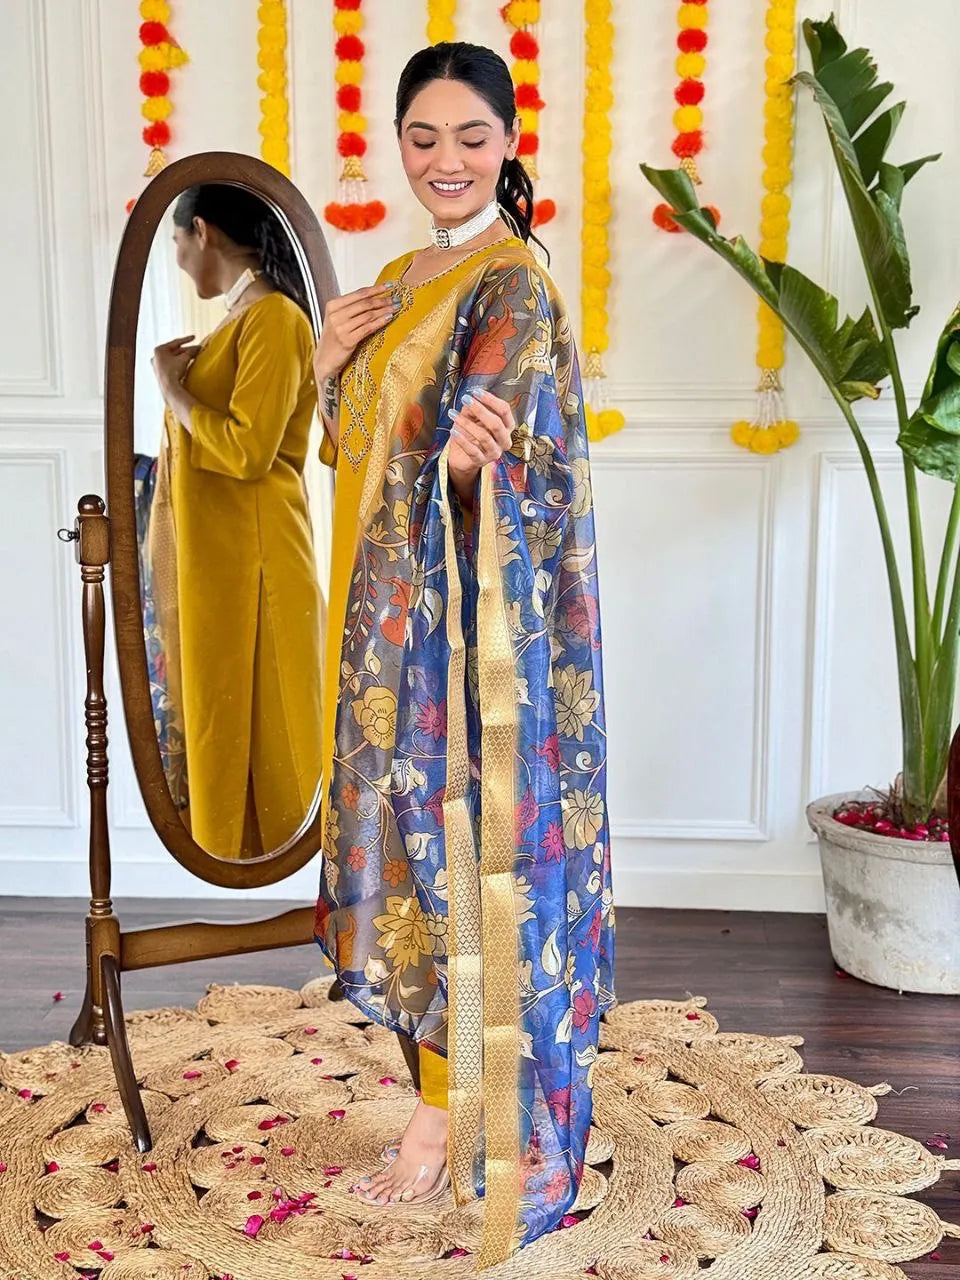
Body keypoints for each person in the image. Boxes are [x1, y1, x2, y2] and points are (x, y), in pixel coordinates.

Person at [312, 42, 615, 1264]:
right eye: (424, 137)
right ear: (398, 143)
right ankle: (436, 1095)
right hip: (388, 625)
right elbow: (359, 459)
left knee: (463, 861)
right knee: (402, 861)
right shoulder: (398, 276)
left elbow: (515, 476)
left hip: (464, 644)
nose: (445, 160)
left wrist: (465, 468)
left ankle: (458, 1119)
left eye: (470, 137)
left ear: (507, 141)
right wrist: (334, 369)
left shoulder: (514, 288)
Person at [148, 184, 324, 859]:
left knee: (277, 726)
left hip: (260, 560)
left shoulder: (276, 320)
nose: (177, 259)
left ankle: (286, 868)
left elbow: (249, 452)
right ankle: (238, 857)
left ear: (202, 231)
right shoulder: (239, 320)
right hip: (221, 562)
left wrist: (172, 390)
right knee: (225, 713)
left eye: (175, 243)